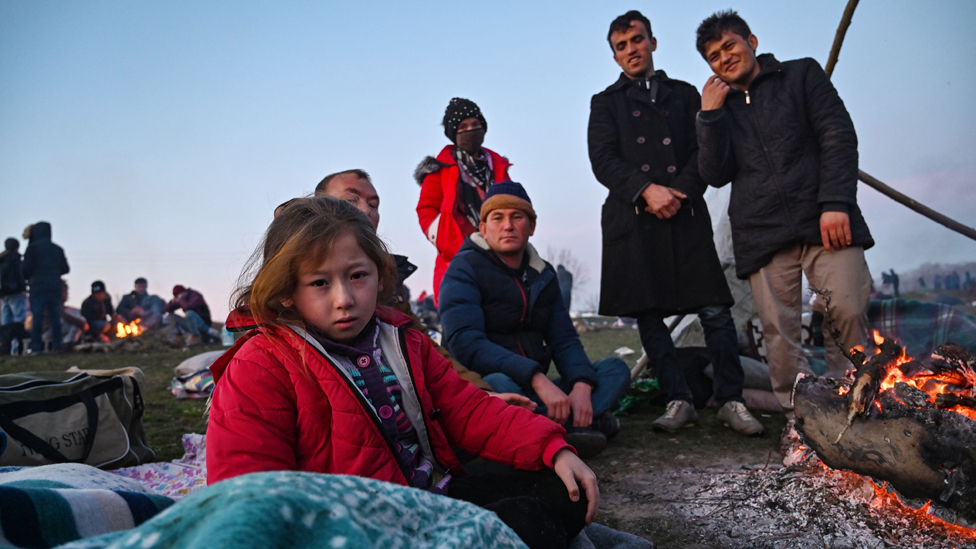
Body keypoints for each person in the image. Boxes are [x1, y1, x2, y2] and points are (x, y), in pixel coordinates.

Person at [207, 196, 599, 549]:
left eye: (357, 276)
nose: (344, 299)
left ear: (379, 274)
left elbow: (468, 408)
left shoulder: (400, 338)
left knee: (563, 490)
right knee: (524, 526)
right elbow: (248, 491)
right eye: (320, 283)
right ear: (286, 291)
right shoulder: (260, 364)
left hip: (430, 499)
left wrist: (552, 446)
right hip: (351, 532)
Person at [587, 10, 762, 435]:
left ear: (652, 43)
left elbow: (703, 150)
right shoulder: (604, 103)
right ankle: (677, 399)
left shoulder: (685, 95)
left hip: (684, 214)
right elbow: (603, 160)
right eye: (621, 45)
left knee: (715, 311)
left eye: (637, 39)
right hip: (635, 218)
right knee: (649, 317)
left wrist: (676, 193)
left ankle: (731, 399)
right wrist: (647, 191)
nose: (631, 49)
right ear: (615, 56)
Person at [695, 10, 874, 412]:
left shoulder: (801, 75)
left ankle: (852, 412)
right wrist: (708, 117)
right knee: (780, 335)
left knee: (845, 308)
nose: (724, 58)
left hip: (824, 219)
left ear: (751, 42)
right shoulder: (718, 109)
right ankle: (805, 422)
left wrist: (835, 203)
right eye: (713, 56)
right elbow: (715, 174)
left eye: (730, 46)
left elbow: (838, 135)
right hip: (761, 232)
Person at [439, 182, 632, 457]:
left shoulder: (544, 274)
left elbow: (564, 337)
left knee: (614, 369)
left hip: (537, 389)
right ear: (483, 228)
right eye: (498, 218)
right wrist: (538, 378)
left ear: (532, 226)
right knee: (499, 383)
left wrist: (581, 384)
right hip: (488, 386)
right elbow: (465, 343)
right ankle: (576, 429)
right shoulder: (463, 269)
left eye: (517, 217)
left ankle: (552, 429)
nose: (508, 226)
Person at [313, 169, 520, 400]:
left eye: (374, 204)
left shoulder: (389, 280)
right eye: (351, 200)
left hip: (409, 409)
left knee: (501, 389)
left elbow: (423, 346)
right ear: (315, 208)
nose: (365, 210)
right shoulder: (289, 279)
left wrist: (480, 394)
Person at [415, 98, 512, 305]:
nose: (470, 131)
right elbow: (426, 209)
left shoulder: (498, 167)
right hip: (457, 258)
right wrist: (447, 241)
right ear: (453, 134)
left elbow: (514, 203)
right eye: (463, 127)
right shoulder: (439, 169)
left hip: (500, 258)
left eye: (475, 125)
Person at [22, 222, 70, 353]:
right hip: (54, 286)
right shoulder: (57, 249)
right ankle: (57, 346)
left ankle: (36, 347)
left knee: (37, 316)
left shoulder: (32, 249)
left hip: (37, 287)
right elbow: (65, 268)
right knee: (55, 317)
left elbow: (25, 269)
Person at [0, 238, 28, 355]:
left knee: (5, 320)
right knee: (18, 319)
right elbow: (19, 275)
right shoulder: (16, 259)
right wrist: (23, 288)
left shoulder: (1, 259)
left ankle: (5, 347)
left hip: (3, 293)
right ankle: (18, 346)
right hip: (15, 292)